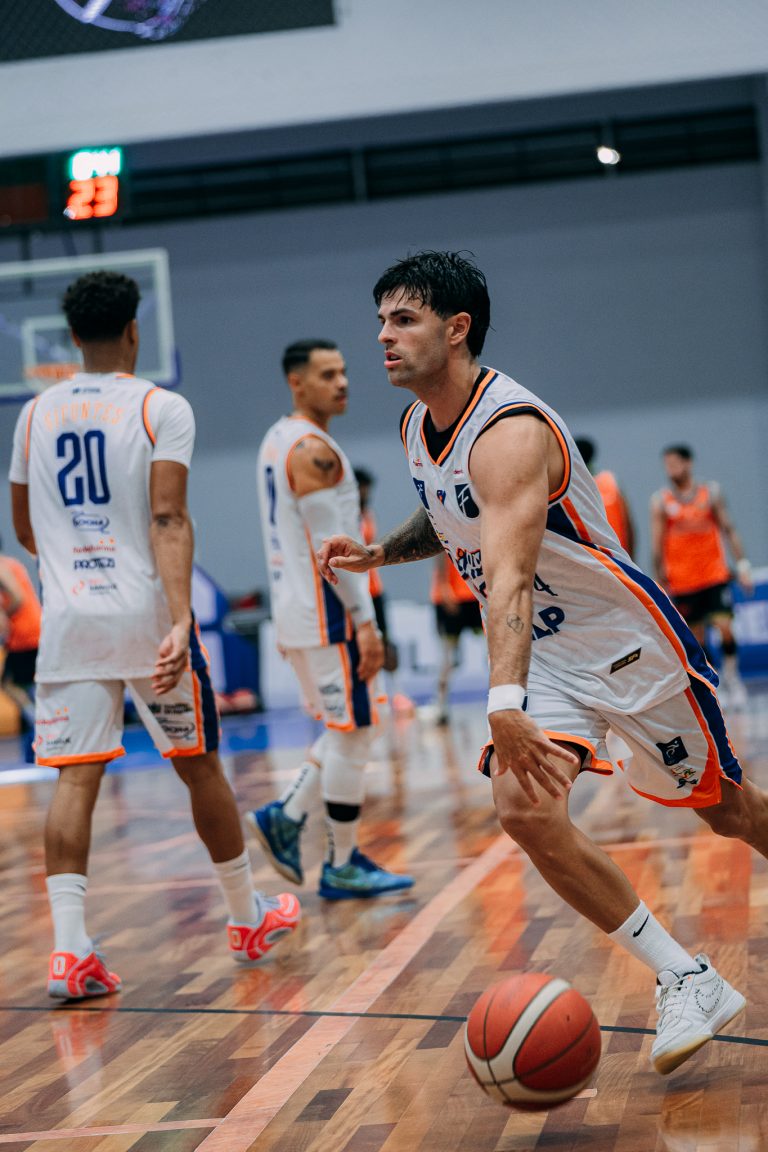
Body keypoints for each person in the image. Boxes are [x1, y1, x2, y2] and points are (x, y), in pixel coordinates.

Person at [317, 250, 768, 1076]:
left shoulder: (510, 431)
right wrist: (381, 553)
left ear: (458, 329)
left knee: (728, 812)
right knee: (524, 809)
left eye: (403, 319)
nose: (382, 336)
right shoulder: (419, 426)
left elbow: (512, 576)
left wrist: (501, 700)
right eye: (380, 320)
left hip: (624, 648)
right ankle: (685, 976)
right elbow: (450, 516)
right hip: (549, 657)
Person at [9, 270, 299, 1000]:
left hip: (71, 621)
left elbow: (24, 528)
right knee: (199, 766)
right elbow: (168, 516)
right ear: (136, 330)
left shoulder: (33, 415)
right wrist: (179, 618)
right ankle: (246, 918)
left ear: (70, 337)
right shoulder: (160, 407)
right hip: (144, 615)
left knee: (75, 778)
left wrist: (72, 568)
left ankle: (69, 953)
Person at [248, 340, 414, 899]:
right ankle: (340, 862)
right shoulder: (313, 451)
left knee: (350, 729)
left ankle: (287, 816)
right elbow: (332, 551)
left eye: (342, 372)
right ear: (296, 382)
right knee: (356, 731)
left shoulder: (277, 438)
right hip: (329, 614)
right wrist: (366, 623)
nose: (342, 382)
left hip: (298, 612)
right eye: (326, 374)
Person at [651, 444, 751, 708]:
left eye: (675, 463)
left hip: (715, 575)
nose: (670, 470)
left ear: (688, 463)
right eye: (667, 465)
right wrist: (659, 580)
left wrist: (742, 566)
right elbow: (656, 544)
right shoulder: (661, 501)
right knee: (698, 638)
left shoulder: (710, 493)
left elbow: (729, 529)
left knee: (725, 627)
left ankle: (733, 678)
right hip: (683, 582)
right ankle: (716, 684)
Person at [0, 538, 41, 760]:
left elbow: (17, 596)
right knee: (21, 682)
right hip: (32, 630)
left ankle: (36, 718)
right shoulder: (11, 562)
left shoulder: (1, 566)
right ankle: (37, 717)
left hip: (25, 634)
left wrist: (5, 615)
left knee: (9, 683)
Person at [430, 550, 482, 725]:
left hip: (476, 591)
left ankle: (507, 703)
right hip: (450, 594)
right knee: (447, 656)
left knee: (495, 650)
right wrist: (443, 585)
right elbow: (438, 547)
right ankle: (440, 706)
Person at [574, 437, 635, 557]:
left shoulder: (573, 486)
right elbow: (629, 525)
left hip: (599, 557)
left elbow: (628, 524)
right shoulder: (611, 481)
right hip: (613, 557)